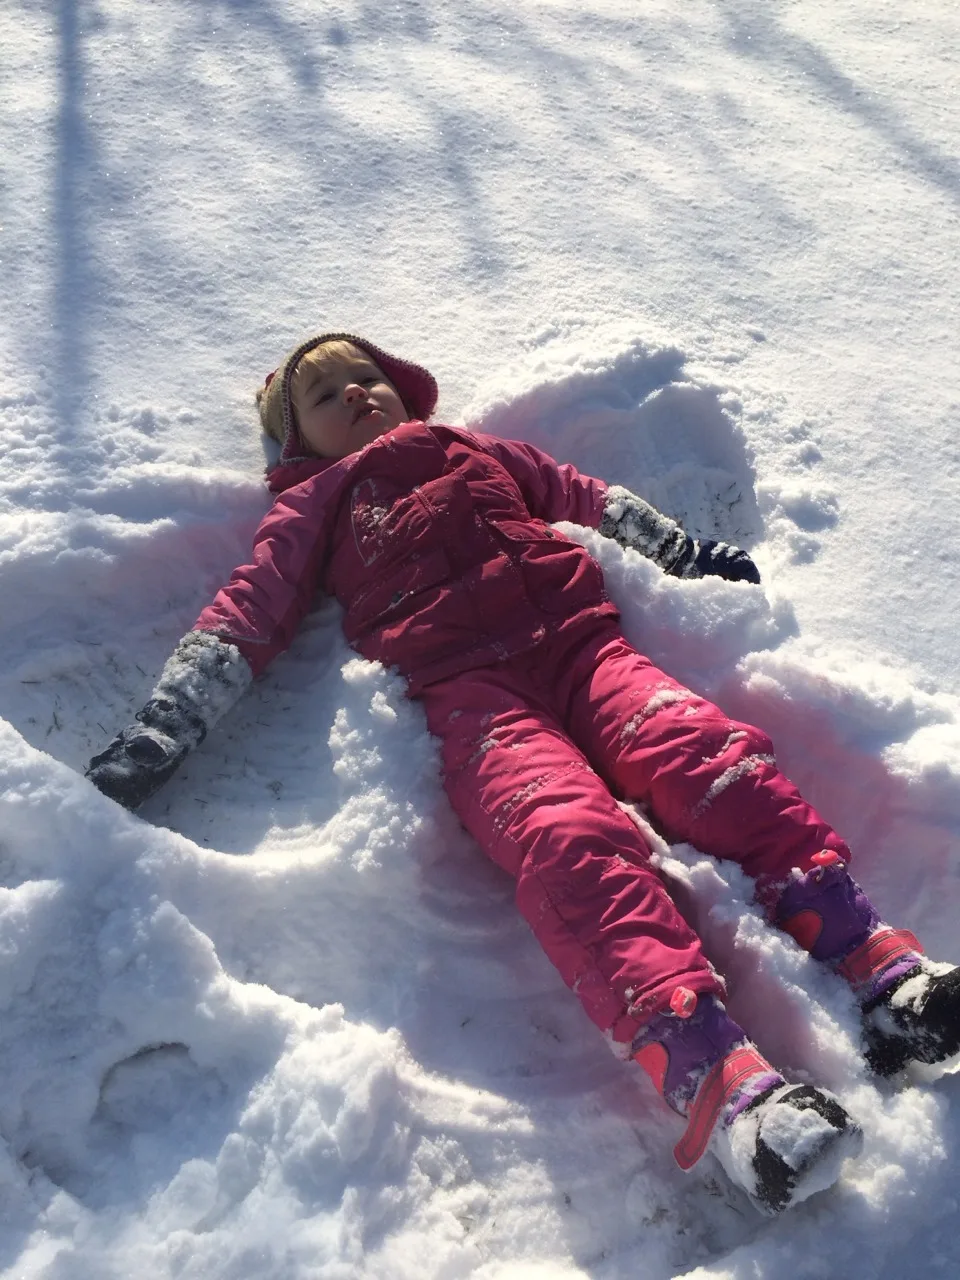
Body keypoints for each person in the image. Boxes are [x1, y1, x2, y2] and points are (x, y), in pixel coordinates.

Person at [86, 332, 960, 1216]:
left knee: (709, 759)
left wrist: (681, 551)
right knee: (566, 838)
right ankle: (721, 1085)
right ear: (298, 444)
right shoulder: (315, 504)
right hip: (475, 698)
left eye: (368, 377)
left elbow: (580, 492)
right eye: (324, 395)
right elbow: (248, 610)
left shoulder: (471, 448)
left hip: (587, 651)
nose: (356, 393)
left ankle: (879, 968)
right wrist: (167, 723)